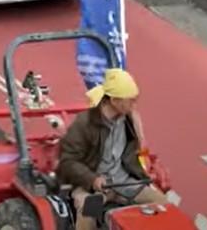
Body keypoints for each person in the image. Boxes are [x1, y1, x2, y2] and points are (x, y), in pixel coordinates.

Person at [57, 69, 168, 230]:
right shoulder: (85, 124)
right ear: (114, 100)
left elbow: (139, 149)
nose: (134, 105)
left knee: (164, 206)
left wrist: (139, 131)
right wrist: (93, 179)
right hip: (93, 186)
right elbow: (68, 161)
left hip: (124, 182)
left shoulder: (128, 120)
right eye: (130, 101)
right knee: (88, 212)